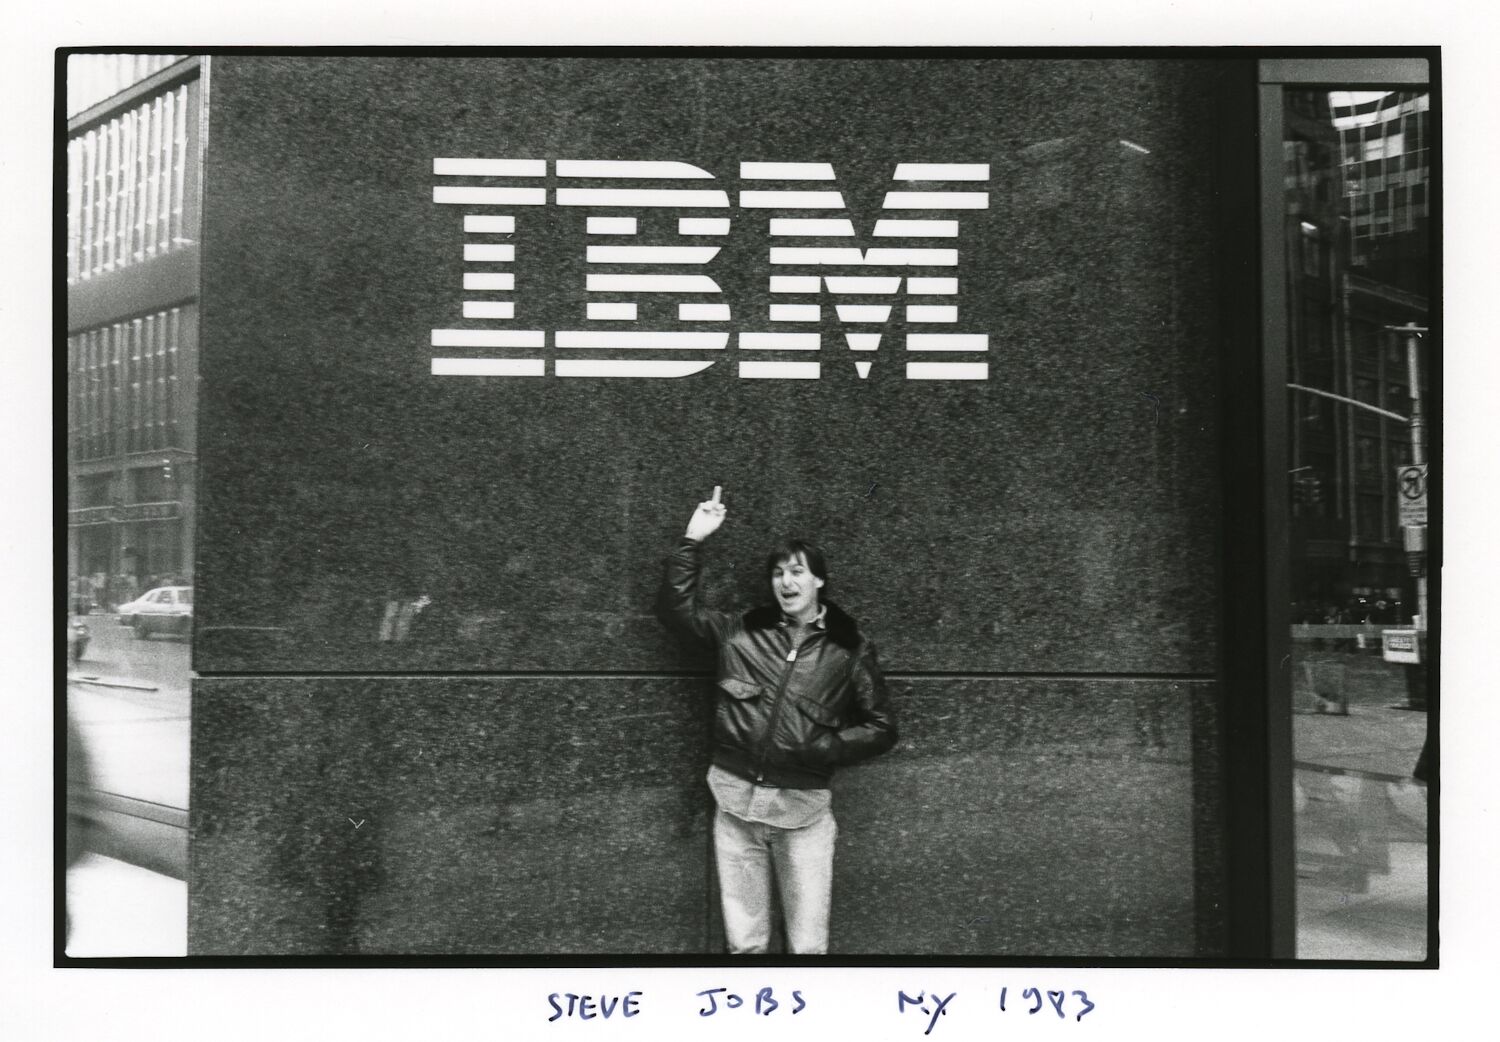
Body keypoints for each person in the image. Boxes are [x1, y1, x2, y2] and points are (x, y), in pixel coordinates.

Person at [657, 485, 897, 954]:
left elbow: (882, 727)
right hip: (735, 808)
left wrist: (823, 748)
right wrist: (693, 539)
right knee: (745, 948)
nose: (786, 582)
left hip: (802, 814)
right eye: (778, 573)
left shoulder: (849, 649)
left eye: (797, 572)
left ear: (818, 582)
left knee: (807, 950)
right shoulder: (740, 632)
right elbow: (675, 611)